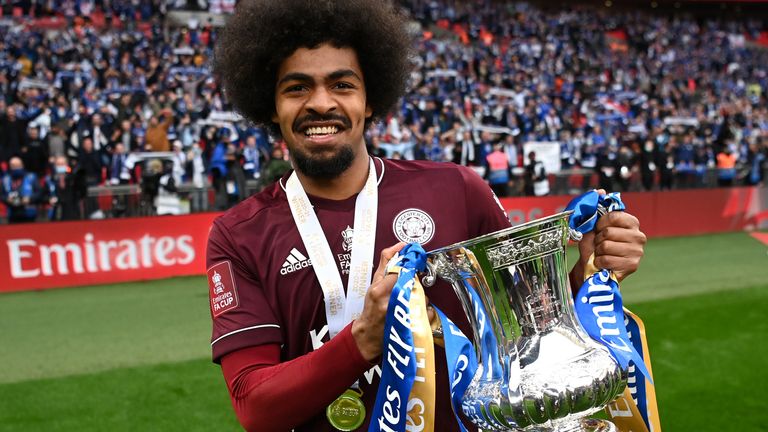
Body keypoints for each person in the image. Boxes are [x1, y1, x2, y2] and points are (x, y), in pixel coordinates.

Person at [206, 1, 646, 431]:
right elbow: (254, 406)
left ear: (371, 99)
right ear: (270, 105)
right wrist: (363, 338)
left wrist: (589, 273)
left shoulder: (457, 189)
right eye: (297, 87)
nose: (321, 103)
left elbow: (529, 333)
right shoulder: (238, 235)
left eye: (342, 85)